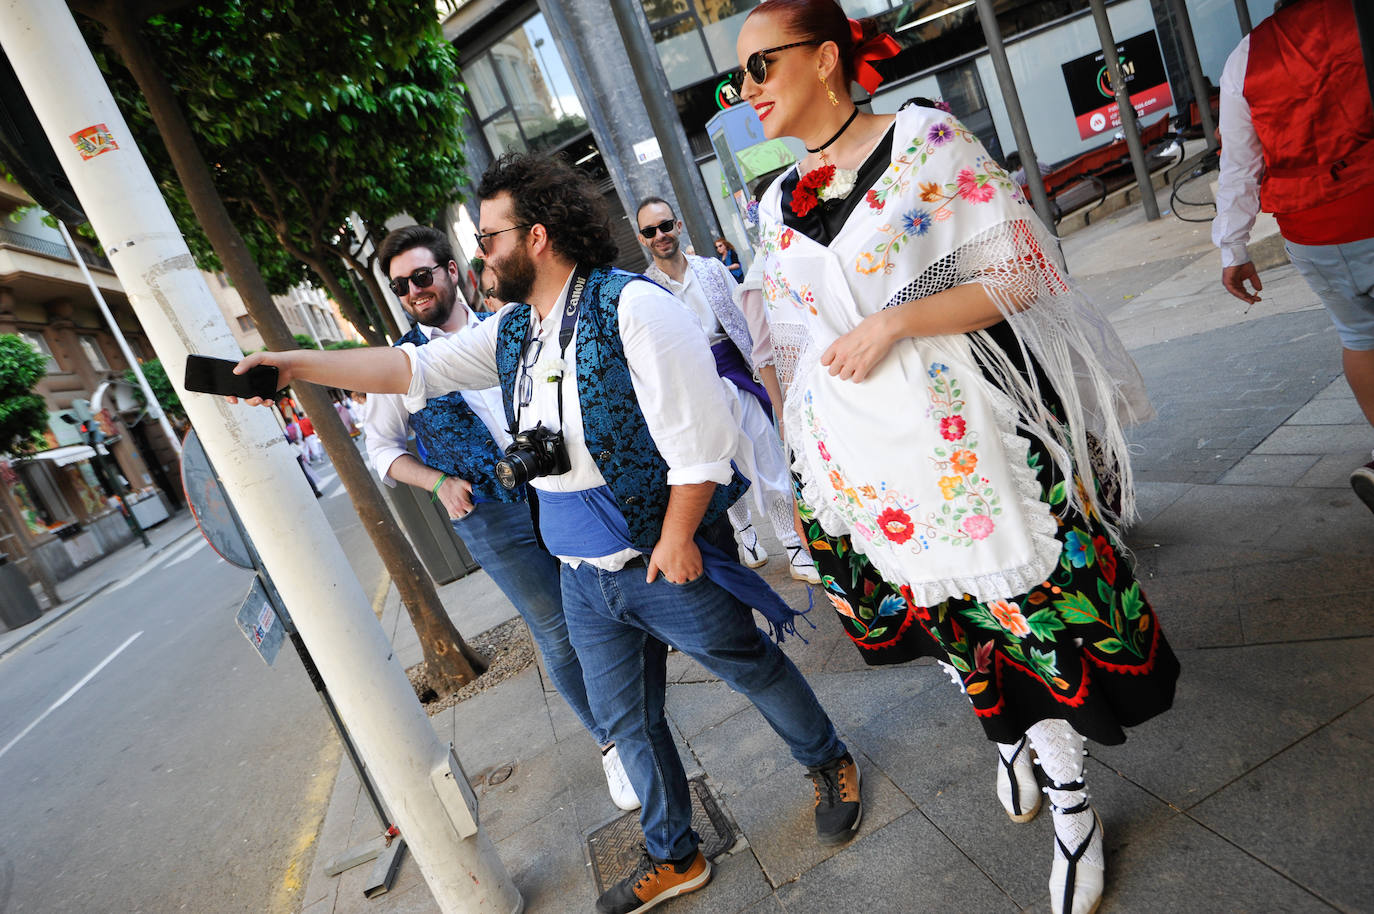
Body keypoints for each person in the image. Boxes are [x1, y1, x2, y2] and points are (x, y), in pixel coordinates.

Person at [229, 152, 862, 914]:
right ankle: (676, 854)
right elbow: (406, 371)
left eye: (488, 239)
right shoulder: (512, 334)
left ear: (535, 237)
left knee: (749, 666)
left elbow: (706, 443)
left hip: (662, 553)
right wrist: (295, 366)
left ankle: (829, 762)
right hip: (580, 574)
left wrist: (680, 536)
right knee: (628, 722)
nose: (478, 259)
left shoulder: (635, 308)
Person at [734, 3, 1179, 913]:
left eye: (759, 68)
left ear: (825, 60)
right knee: (947, 624)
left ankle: (1072, 806)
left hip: (962, 439)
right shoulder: (774, 199)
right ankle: (1008, 740)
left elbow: (1022, 272)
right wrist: (796, 447)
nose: (745, 92)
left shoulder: (926, 141)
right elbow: (783, 333)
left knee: (1028, 622)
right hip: (858, 462)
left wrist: (895, 318)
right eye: (736, 79)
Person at [366, 223, 638, 814]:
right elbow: (381, 450)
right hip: (490, 514)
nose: (413, 292)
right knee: (556, 629)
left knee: (608, 594)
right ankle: (613, 741)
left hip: (562, 488)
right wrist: (437, 482)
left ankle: (634, 710)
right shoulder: (399, 365)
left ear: (452, 272)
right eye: (400, 285)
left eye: (421, 276)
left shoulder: (509, 326)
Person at [1212, 0, 1374, 512]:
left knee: (1360, 335)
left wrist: (1233, 247)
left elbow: (1239, 162)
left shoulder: (1245, 56)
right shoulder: (1358, 15)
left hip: (1313, 228)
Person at [637, 197, 819, 583]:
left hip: (736, 372)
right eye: (651, 231)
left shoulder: (712, 269)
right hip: (691, 387)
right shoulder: (644, 289)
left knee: (766, 453)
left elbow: (744, 318)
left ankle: (792, 545)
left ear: (679, 225)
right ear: (642, 238)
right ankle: (746, 536)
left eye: (665, 225)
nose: (661, 235)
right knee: (720, 463)